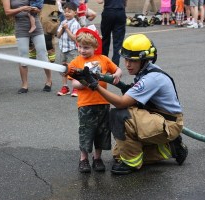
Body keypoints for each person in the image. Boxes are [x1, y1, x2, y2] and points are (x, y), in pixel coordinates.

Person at [75, 34, 188, 175]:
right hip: (156, 118)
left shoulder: (151, 78)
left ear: (144, 60)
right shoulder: (145, 71)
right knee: (118, 154)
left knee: (119, 115)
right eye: (126, 59)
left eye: (132, 61)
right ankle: (171, 148)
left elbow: (122, 103)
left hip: (168, 123)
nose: (127, 64)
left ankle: (131, 163)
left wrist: (96, 86)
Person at [67, 27, 122, 173]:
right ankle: (83, 159)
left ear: (95, 47)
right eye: (80, 47)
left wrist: (117, 75)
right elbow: (74, 84)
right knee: (86, 131)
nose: (82, 50)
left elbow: (117, 69)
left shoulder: (103, 59)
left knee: (102, 132)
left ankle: (97, 158)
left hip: (103, 102)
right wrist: (85, 82)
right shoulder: (75, 63)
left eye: (86, 47)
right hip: (86, 104)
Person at [1, 0, 53, 94]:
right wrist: (22, 8)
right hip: (21, 27)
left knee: (43, 54)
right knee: (23, 55)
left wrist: (36, 9)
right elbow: (7, 12)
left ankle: (49, 81)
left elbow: (38, 8)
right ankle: (24, 85)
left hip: (35, 25)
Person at [56, 2, 81, 96]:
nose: (66, 14)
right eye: (65, 12)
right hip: (63, 49)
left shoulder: (75, 24)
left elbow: (75, 38)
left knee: (73, 69)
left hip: (72, 50)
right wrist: (62, 28)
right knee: (63, 69)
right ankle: (65, 87)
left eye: (69, 12)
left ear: (75, 12)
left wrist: (67, 29)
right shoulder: (63, 22)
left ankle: (76, 87)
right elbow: (58, 35)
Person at [95, 0, 127, 66]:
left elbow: (99, 1)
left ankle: (104, 63)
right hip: (120, 11)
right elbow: (125, 2)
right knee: (118, 42)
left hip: (108, 11)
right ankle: (115, 65)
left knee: (105, 39)